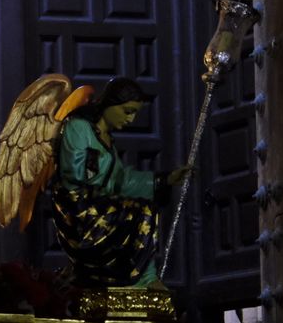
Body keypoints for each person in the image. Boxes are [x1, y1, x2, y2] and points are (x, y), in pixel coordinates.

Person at [50, 78, 187, 287]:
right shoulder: (78, 127)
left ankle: (142, 278)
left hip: (100, 205)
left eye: (134, 113)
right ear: (110, 104)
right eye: (127, 111)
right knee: (139, 212)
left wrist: (165, 179)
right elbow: (74, 175)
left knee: (145, 210)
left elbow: (120, 181)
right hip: (78, 210)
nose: (131, 119)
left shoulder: (108, 143)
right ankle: (143, 279)